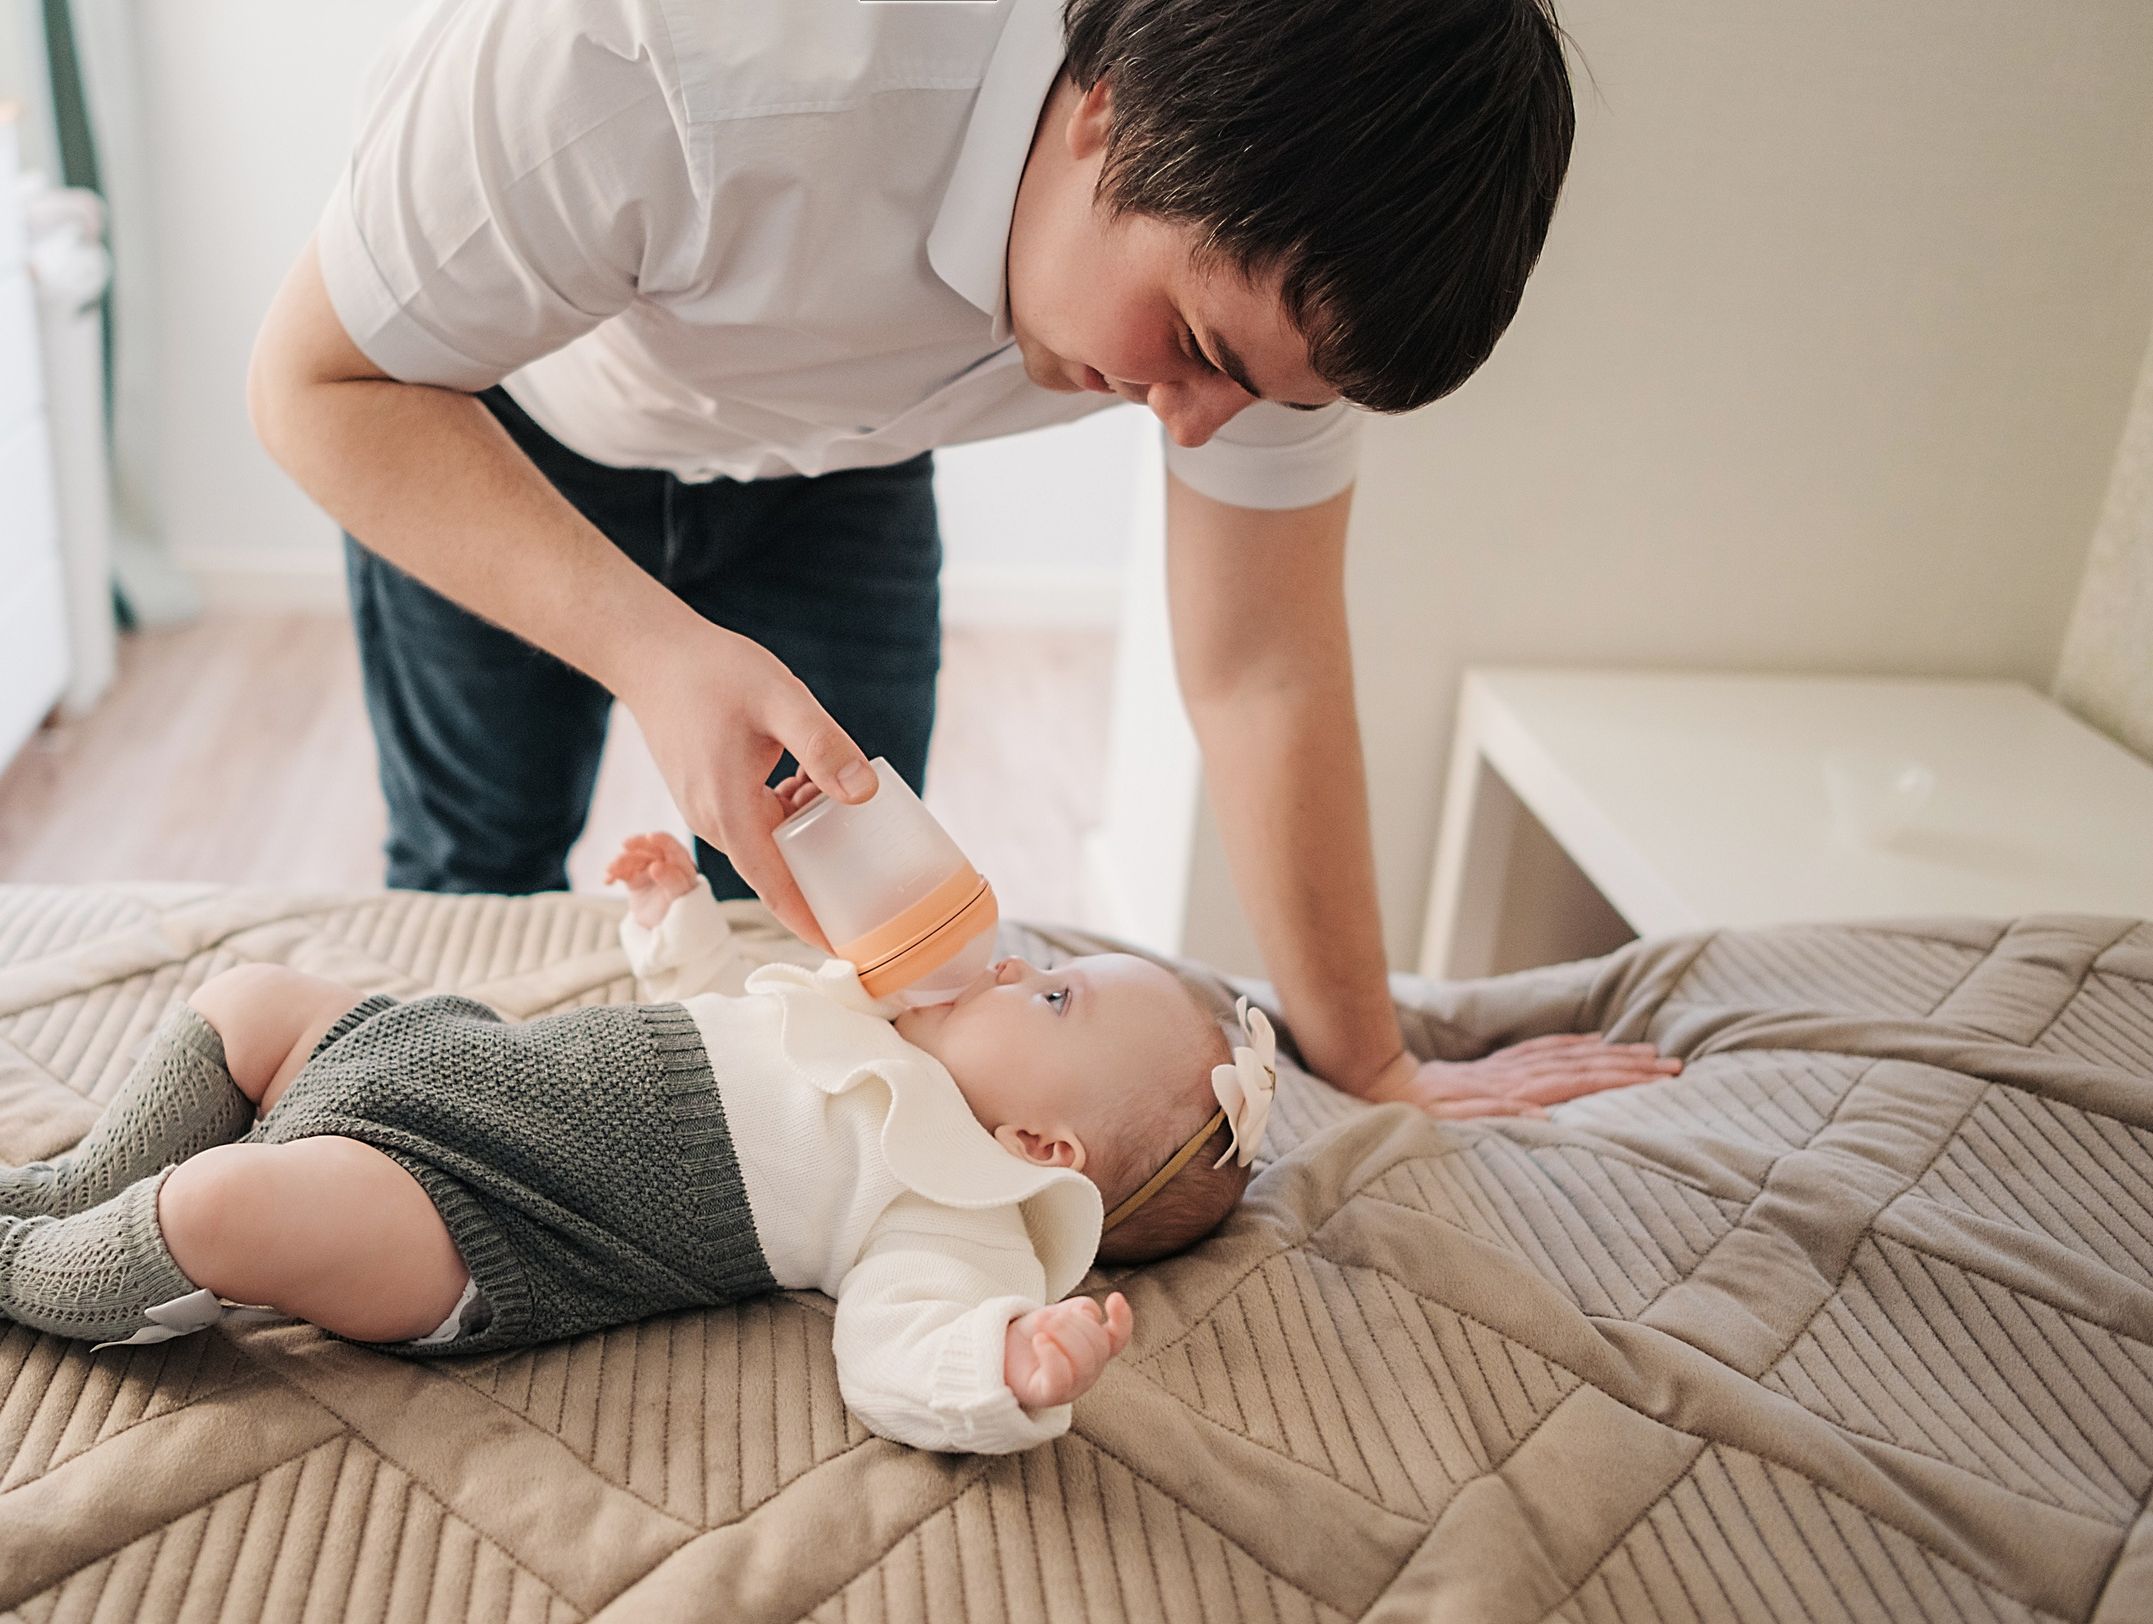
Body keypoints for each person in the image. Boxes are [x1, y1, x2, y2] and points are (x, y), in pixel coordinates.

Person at [248, 0, 1666, 1120]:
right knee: (469, 864)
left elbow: (1264, 670)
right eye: (1192, 351)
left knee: (848, 950)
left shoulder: (1263, 302)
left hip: (830, 468)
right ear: (1105, 114)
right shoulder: (655, 49)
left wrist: (1376, 1067)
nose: (1200, 425)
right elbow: (314, 383)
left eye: (1266, 400)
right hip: (483, 409)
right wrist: (656, 650)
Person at [0, 830, 1320, 1453]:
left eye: (1051, 992)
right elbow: (719, 1018)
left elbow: (898, 1348)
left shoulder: (953, 1202)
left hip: (486, 1221)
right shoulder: (885, 1024)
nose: (1010, 967)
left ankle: (26, 1262)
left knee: (230, 1203)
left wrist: (1004, 1369)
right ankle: (84, 1177)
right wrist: (673, 920)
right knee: (250, 997)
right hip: (459, 1061)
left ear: (1044, 1145)